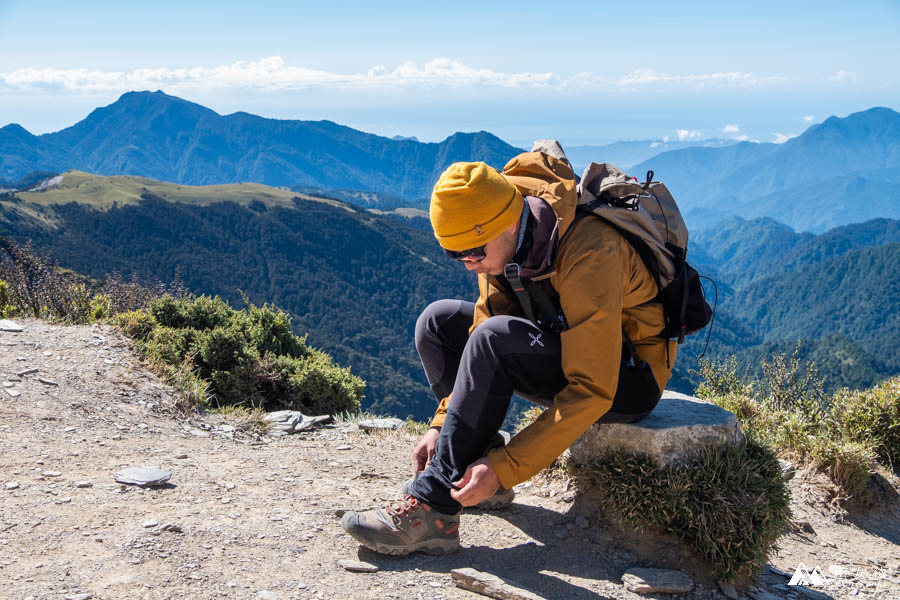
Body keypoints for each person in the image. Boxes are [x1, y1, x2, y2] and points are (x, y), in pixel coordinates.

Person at [341, 147, 676, 555]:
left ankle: (433, 508)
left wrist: (504, 469)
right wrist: (441, 425)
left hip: (628, 376)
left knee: (494, 338)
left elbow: (594, 387)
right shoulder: (505, 245)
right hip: (561, 342)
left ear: (507, 224)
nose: (467, 264)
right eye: (454, 254)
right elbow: (480, 331)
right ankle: (467, 467)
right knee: (439, 322)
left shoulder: (590, 249)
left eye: (474, 252)